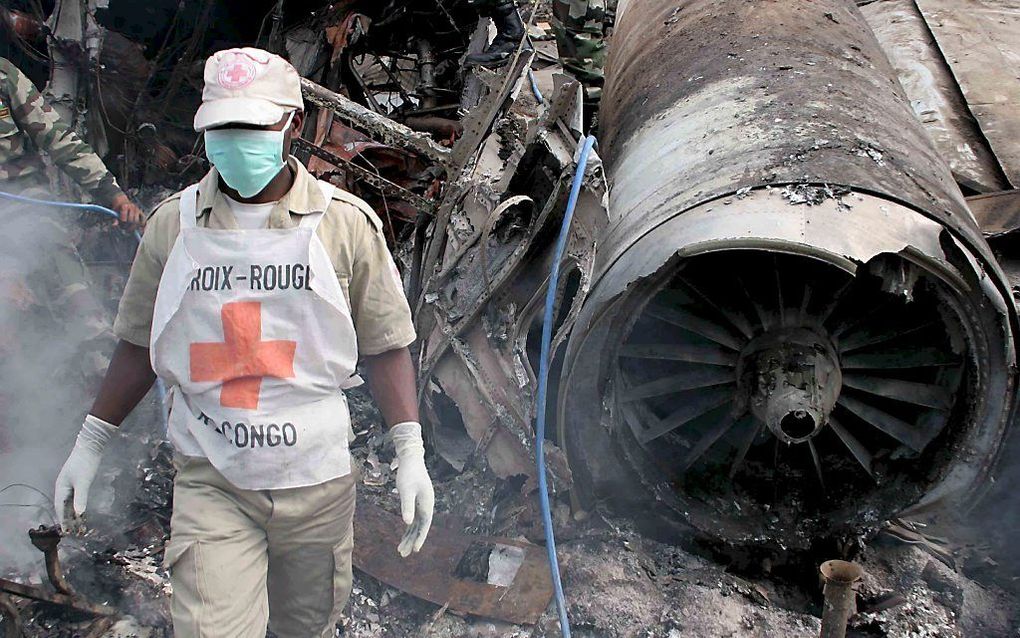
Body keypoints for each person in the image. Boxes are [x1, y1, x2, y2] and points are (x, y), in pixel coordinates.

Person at [52, 48, 434, 637]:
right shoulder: (173, 226)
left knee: (303, 626)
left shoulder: (343, 225)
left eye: (252, 128)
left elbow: (385, 345)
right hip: (213, 479)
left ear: (293, 126)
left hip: (316, 482)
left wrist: (410, 451)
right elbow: (138, 342)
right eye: (222, 129)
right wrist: (91, 440)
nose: (236, 142)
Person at [0, 56, 142, 226]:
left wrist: (114, 195)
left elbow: (59, 140)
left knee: (50, 247)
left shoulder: (4, 76)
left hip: (21, 200)